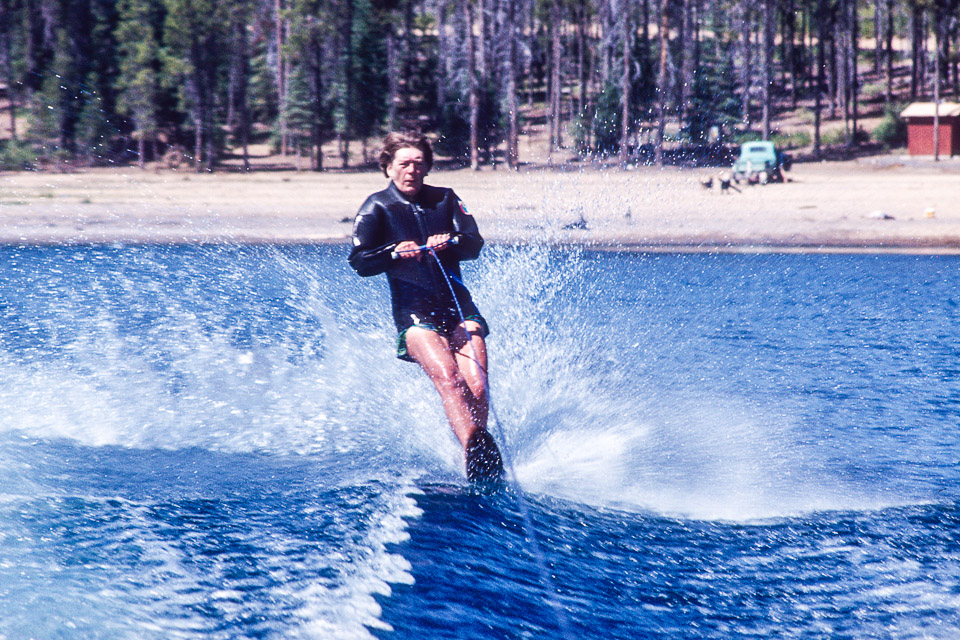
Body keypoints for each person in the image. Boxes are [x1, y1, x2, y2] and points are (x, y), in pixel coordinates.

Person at [348, 131, 504, 483]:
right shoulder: (376, 207)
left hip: (458, 306)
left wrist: (450, 241)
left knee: (477, 384)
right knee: (449, 378)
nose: (412, 170)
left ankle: (480, 453)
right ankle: (474, 454)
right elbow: (359, 261)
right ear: (388, 167)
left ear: (428, 167)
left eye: (419, 164)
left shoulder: (446, 199)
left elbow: (473, 244)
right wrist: (392, 253)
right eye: (403, 163)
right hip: (414, 312)